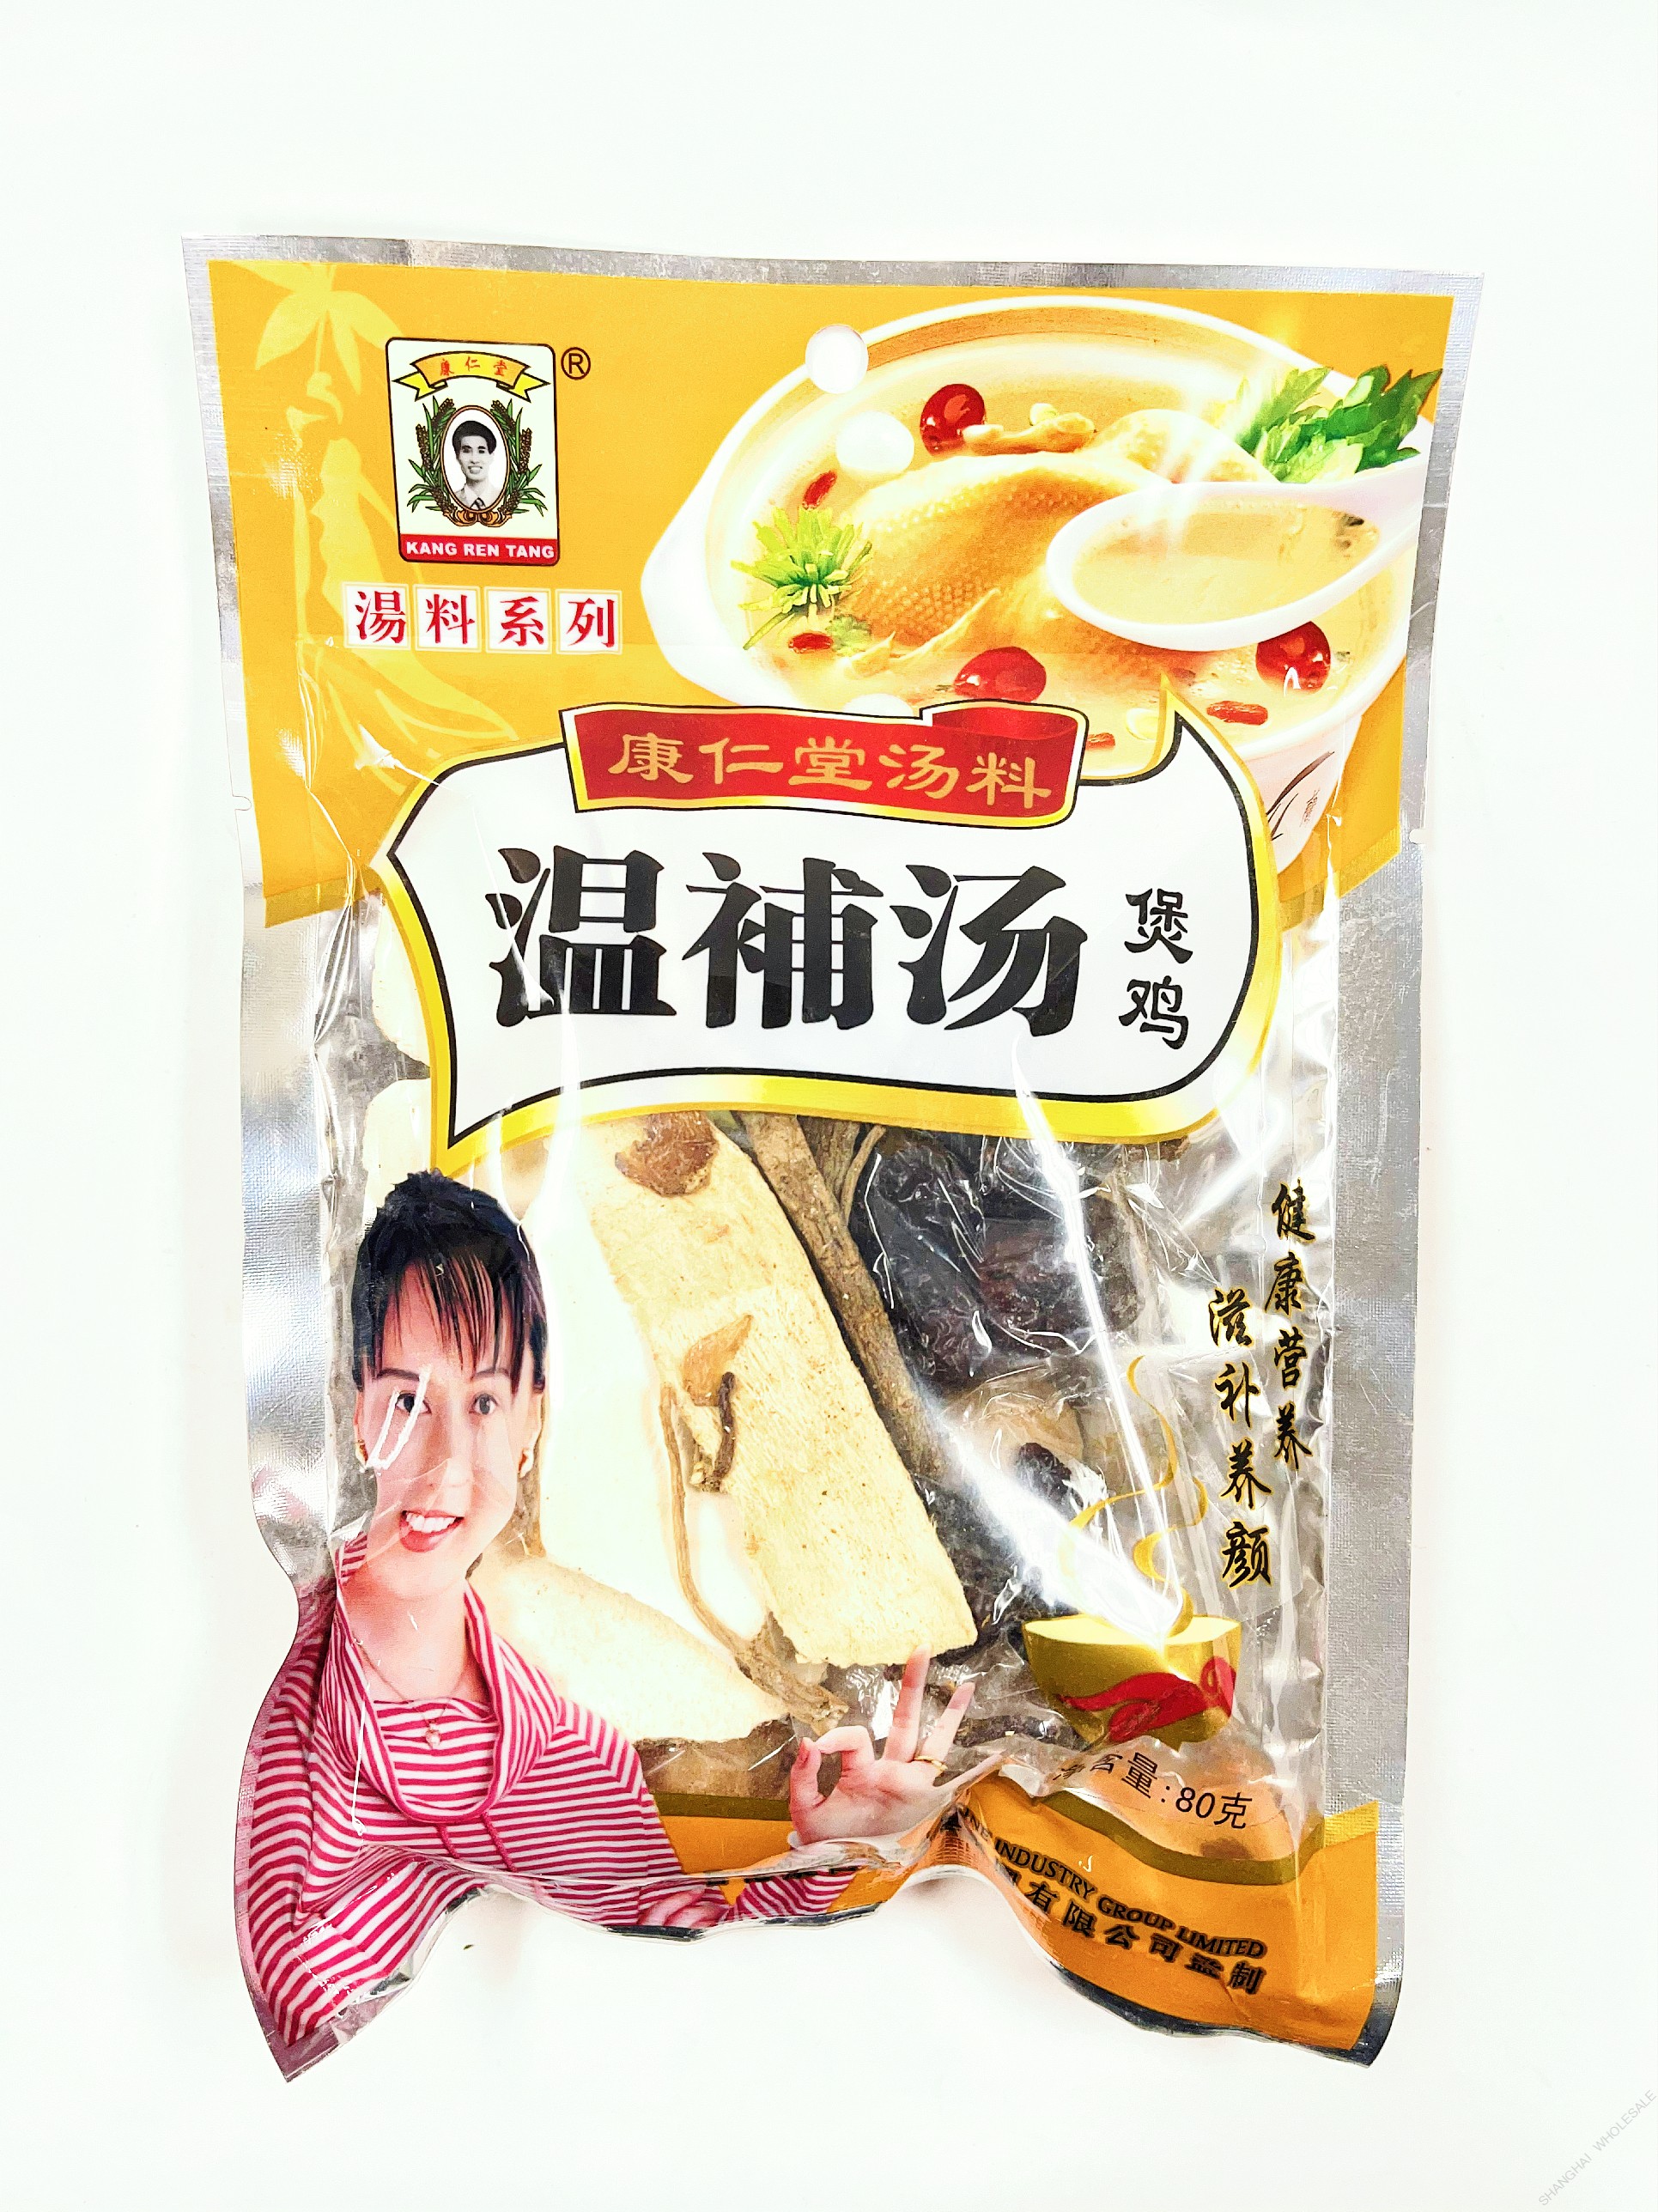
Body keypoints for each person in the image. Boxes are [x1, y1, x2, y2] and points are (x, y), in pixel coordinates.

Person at [240, 1172, 972, 2073]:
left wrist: (835, 1848)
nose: (447, 1465)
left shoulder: (577, 1741)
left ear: (531, 1421)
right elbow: (295, 1969)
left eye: (483, 1404)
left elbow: (678, 1907)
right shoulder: (318, 1681)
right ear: (356, 1407)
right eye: (406, 1400)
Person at [450, 417, 498, 507]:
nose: (474, 460)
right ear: (457, 456)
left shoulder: (505, 499)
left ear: (491, 456)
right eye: (466, 451)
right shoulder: (450, 502)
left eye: (481, 451)